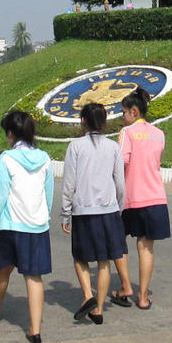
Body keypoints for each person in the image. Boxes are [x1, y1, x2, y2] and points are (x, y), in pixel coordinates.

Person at [0, 111, 53, 343]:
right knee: (34, 277)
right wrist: (44, 216)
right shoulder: (45, 158)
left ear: (11, 133)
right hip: (37, 225)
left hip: (10, 226)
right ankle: (35, 330)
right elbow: (48, 194)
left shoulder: (7, 158)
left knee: (3, 271)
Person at [60, 103, 126, 325]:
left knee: (80, 257)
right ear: (105, 122)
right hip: (108, 209)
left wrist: (65, 213)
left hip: (83, 209)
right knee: (104, 259)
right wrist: (119, 206)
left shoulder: (76, 146)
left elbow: (69, 183)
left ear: (83, 122)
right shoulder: (113, 147)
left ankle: (88, 294)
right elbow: (120, 182)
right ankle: (98, 309)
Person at [110, 87, 170, 310]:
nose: (122, 118)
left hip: (132, 198)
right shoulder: (158, 133)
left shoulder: (127, 133)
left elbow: (122, 162)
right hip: (156, 197)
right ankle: (143, 297)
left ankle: (126, 286)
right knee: (146, 248)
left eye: (124, 113)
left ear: (134, 112)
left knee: (117, 241)